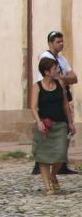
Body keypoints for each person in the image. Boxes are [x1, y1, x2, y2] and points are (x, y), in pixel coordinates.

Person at [32, 30, 79, 176]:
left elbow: (74, 77)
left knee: (64, 134)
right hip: (49, 99)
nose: (61, 44)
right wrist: (63, 78)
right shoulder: (46, 58)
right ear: (50, 43)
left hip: (61, 98)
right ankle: (41, 165)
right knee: (47, 134)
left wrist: (61, 78)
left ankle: (60, 164)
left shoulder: (62, 59)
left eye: (62, 41)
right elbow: (52, 79)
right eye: (58, 41)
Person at [31, 56, 76, 194]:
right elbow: (33, 107)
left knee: (61, 154)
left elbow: (65, 104)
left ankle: (53, 175)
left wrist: (70, 122)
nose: (57, 71)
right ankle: (48, 187)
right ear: (46, 71)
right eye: (55, 69)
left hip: (60, 124)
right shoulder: (37, 87)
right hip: (45, 126)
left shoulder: (60, 84)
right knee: (43, 157)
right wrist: (38, 122)